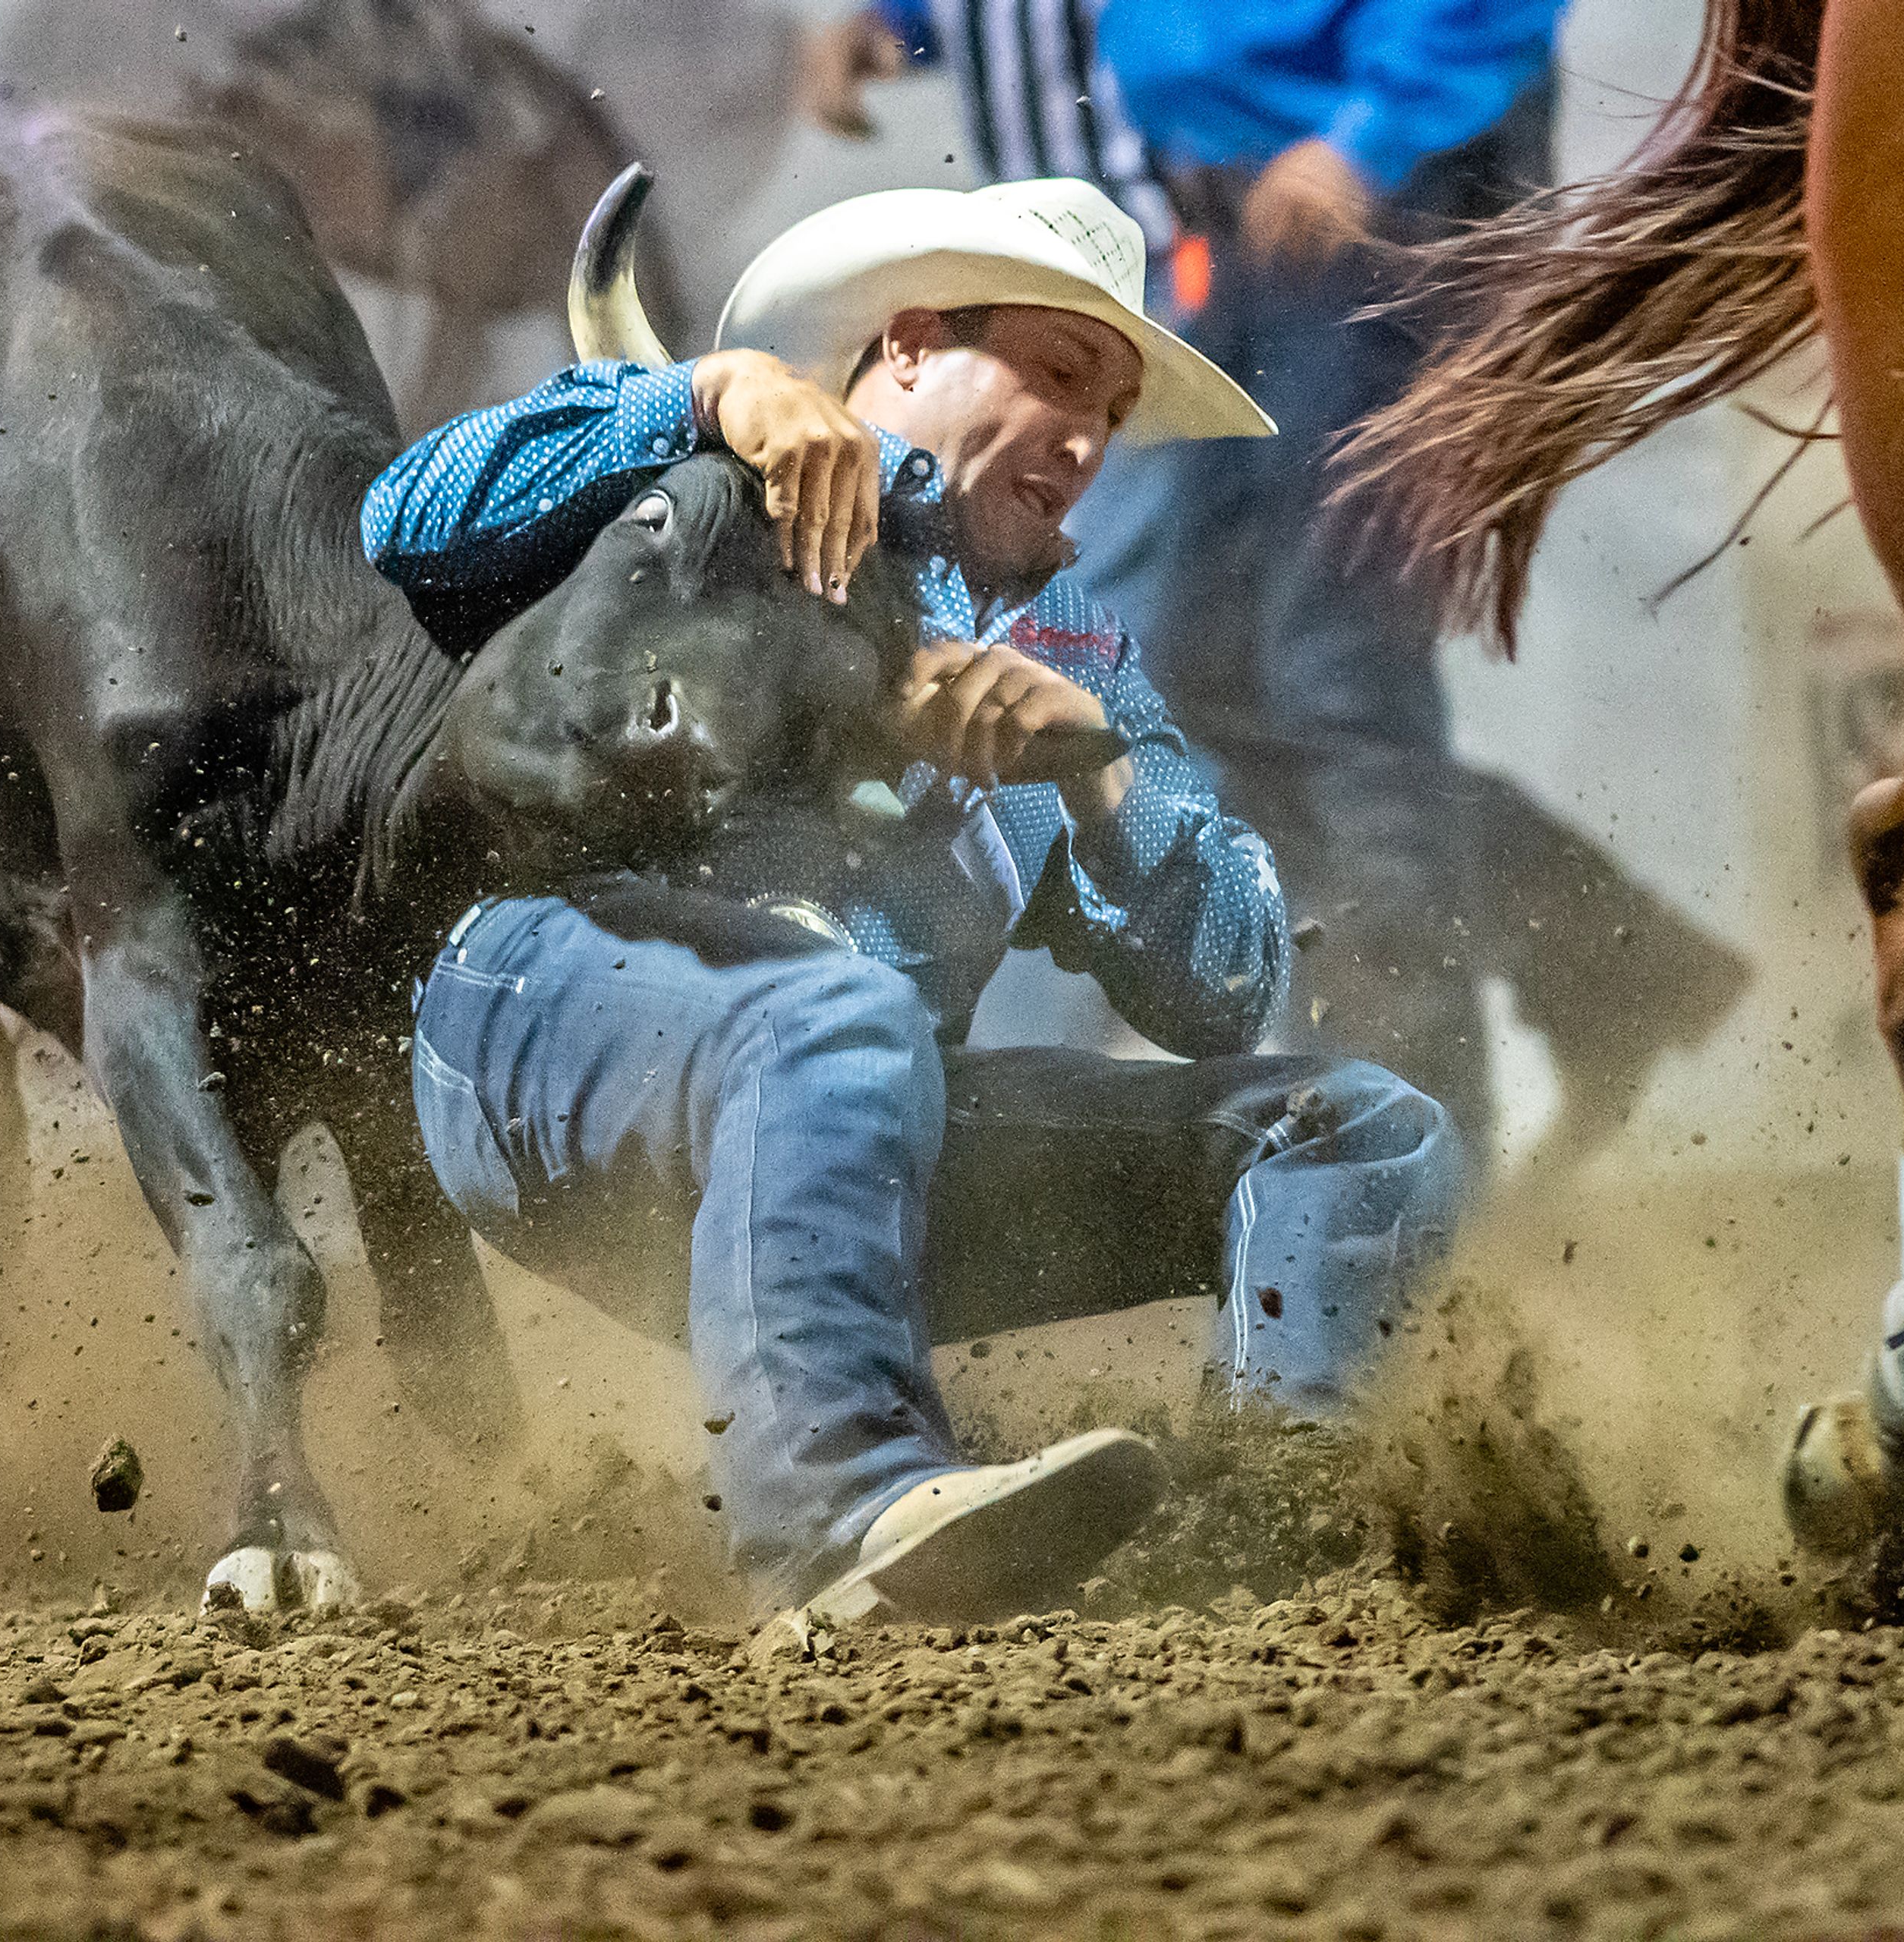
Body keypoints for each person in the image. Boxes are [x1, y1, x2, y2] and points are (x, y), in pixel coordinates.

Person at [362, 179, 1463, 1622]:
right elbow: (404, 520)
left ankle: (1271, 1525)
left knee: (1360, 1131)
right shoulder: (725, 482)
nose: (1084, 439)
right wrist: (708, 394)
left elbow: (1229, 994)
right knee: (847, 1018)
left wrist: (1102, 792)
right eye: (1060, 374)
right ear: (906, 349)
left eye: (1112, 412)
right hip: (535, 1014)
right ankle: (839, 1511)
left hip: (852, 1135)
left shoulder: (1083, 663)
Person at [804, 0, 1751, 1169]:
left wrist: (1369, 133)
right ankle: (1590, 979)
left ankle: (1411, 1150)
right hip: (1254, 209)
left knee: (1322, 684)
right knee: (1205, 687)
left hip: (1371, 198)